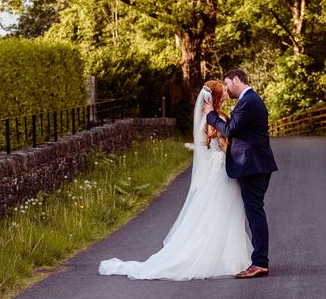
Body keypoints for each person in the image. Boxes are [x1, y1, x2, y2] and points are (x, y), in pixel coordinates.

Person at [99, 80, 252, 280]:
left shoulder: (209, 117)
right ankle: (225, 257)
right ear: (216, 96)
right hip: (222, 168)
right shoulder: (216, 117)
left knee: (221, 210)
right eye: (223, 89)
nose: (226, 89)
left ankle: (227, 256)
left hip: (217, 167)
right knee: (225, 210)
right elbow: (224, 145)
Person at [204, 69, 278, 279]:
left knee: (255, 212)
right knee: (254, 211)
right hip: (255, 164)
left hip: (253, 166)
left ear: (237, 80)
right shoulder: (250, 100)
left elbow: (229, 130)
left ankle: (260, 263)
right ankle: (258, 260)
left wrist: (210, 114)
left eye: (227, 84)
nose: (226, 89)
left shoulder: (248, 101)